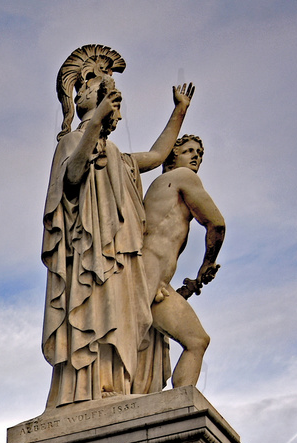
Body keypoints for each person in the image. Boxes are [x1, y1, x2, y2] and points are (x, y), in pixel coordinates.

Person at [42, 44, 194, 407]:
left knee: (120, 318)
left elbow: (158, 156)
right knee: (93, 315)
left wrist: (179, 112)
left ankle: (114, 385)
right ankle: (87, 390)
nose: (116, 108)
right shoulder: (73, 142)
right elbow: (73, 176)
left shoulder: (119, 157)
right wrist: (94, 123)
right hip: (88, 257)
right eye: (109, 98)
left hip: (121, 256)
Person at [140, 134, 225, 389]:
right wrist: (208, 263)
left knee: (194, 341)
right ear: (172, 156)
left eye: (199, 153)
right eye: (189, 151)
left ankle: (177, 405)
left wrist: (188, 287)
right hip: (149, 276)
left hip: (153, 279)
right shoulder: (182, 177)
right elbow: (216, 224)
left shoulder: (160, 189)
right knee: (196, 341)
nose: (196, 156)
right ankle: (180, 406)